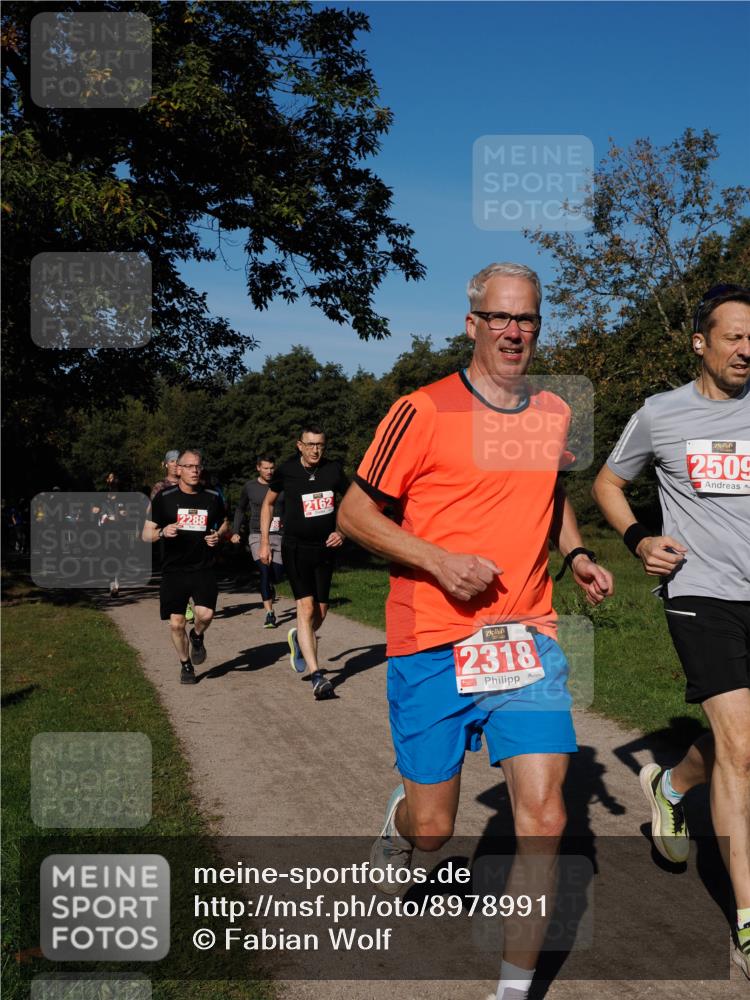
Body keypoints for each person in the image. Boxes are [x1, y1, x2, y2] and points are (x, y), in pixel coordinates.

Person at [338, 262, 613, 1000]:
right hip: (431, 638)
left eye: (527, 319)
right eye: (500, 317)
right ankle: (400, 828)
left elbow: (551, 499)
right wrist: (436, 560)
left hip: (525, 634)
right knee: (435, 830)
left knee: (548, 816)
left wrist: (578, 552)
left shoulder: (554, 413)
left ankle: (513, 991)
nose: (514, 331)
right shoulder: (420, 411)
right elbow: (355, 516)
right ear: (473, 324)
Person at [592, 282, 750, 979]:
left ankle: (672, 787)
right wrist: (637, 540)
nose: (747, 349)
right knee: (743, 751)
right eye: (734, 336)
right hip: (700, 595)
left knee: (736, 742)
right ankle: (747, 923)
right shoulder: (661, 415)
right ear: (700, 342)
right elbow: (606, 483)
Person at [259, 426, 348, 701]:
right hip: (295, 547)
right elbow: (268, 504)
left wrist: (342, 531)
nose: (315, 450)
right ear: (300, 445)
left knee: (320, 611)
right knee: (306, 607)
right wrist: (265, 541)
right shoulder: (286, 471)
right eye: (310, 445)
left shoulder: (333, 470)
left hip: (325, 548)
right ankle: (317, 675)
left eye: (320, 445)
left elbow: (352, 503)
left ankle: (299, 638)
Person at [142, 448, 228, 685]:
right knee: (176, 623)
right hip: (174, 569)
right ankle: (185, 664)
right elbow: (146, 533)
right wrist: (162, 531)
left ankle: (197, 636)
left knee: (206, 614)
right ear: (178, 470)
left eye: (197, 466)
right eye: (189, 466)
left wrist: (217, 535)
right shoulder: (164, 498)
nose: (194, 471)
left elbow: (224, 524)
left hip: (203, 566)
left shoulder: (212, 495)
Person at [231, 454, 285, 628]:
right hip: (257, 534)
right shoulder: (250, 487)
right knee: (264, 570)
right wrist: (235, 531)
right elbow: (240, 509)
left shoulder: (282, 485)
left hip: (279, 534)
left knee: (276, 574)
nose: (269, 471)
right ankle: (270, 613)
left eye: (272, 468)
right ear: (258, 468)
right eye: (266, 468)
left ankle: (270, 586)